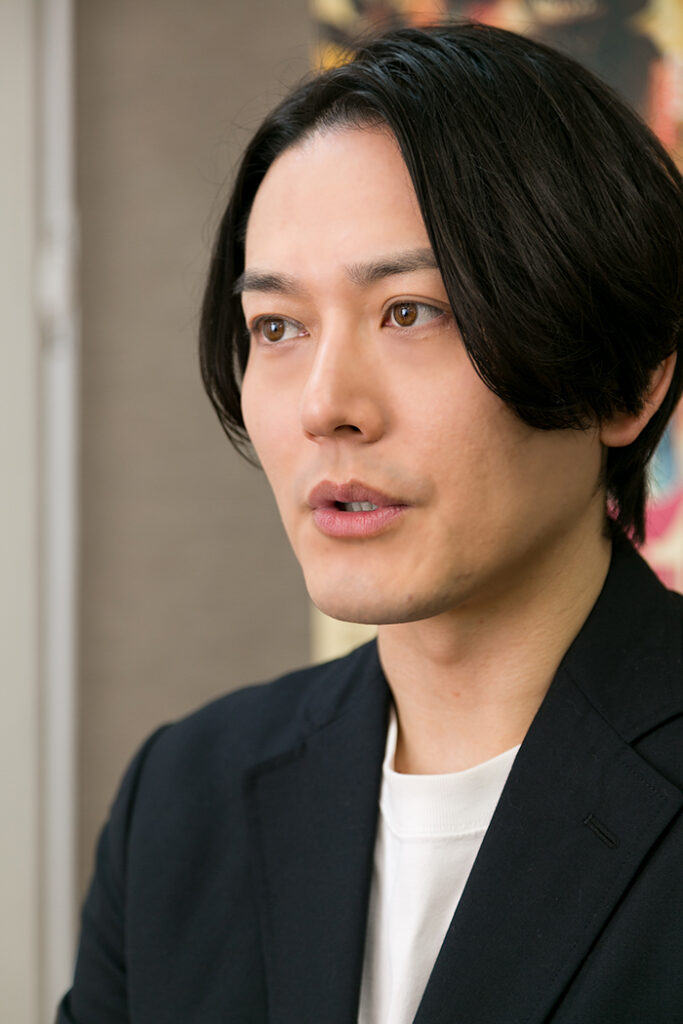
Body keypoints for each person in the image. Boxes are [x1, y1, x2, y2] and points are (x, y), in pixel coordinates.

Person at [58, 21, 683, 1024]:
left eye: (409, 311)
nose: (323, 406)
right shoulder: (183, 799)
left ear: (628, 378)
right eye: (277, 326)